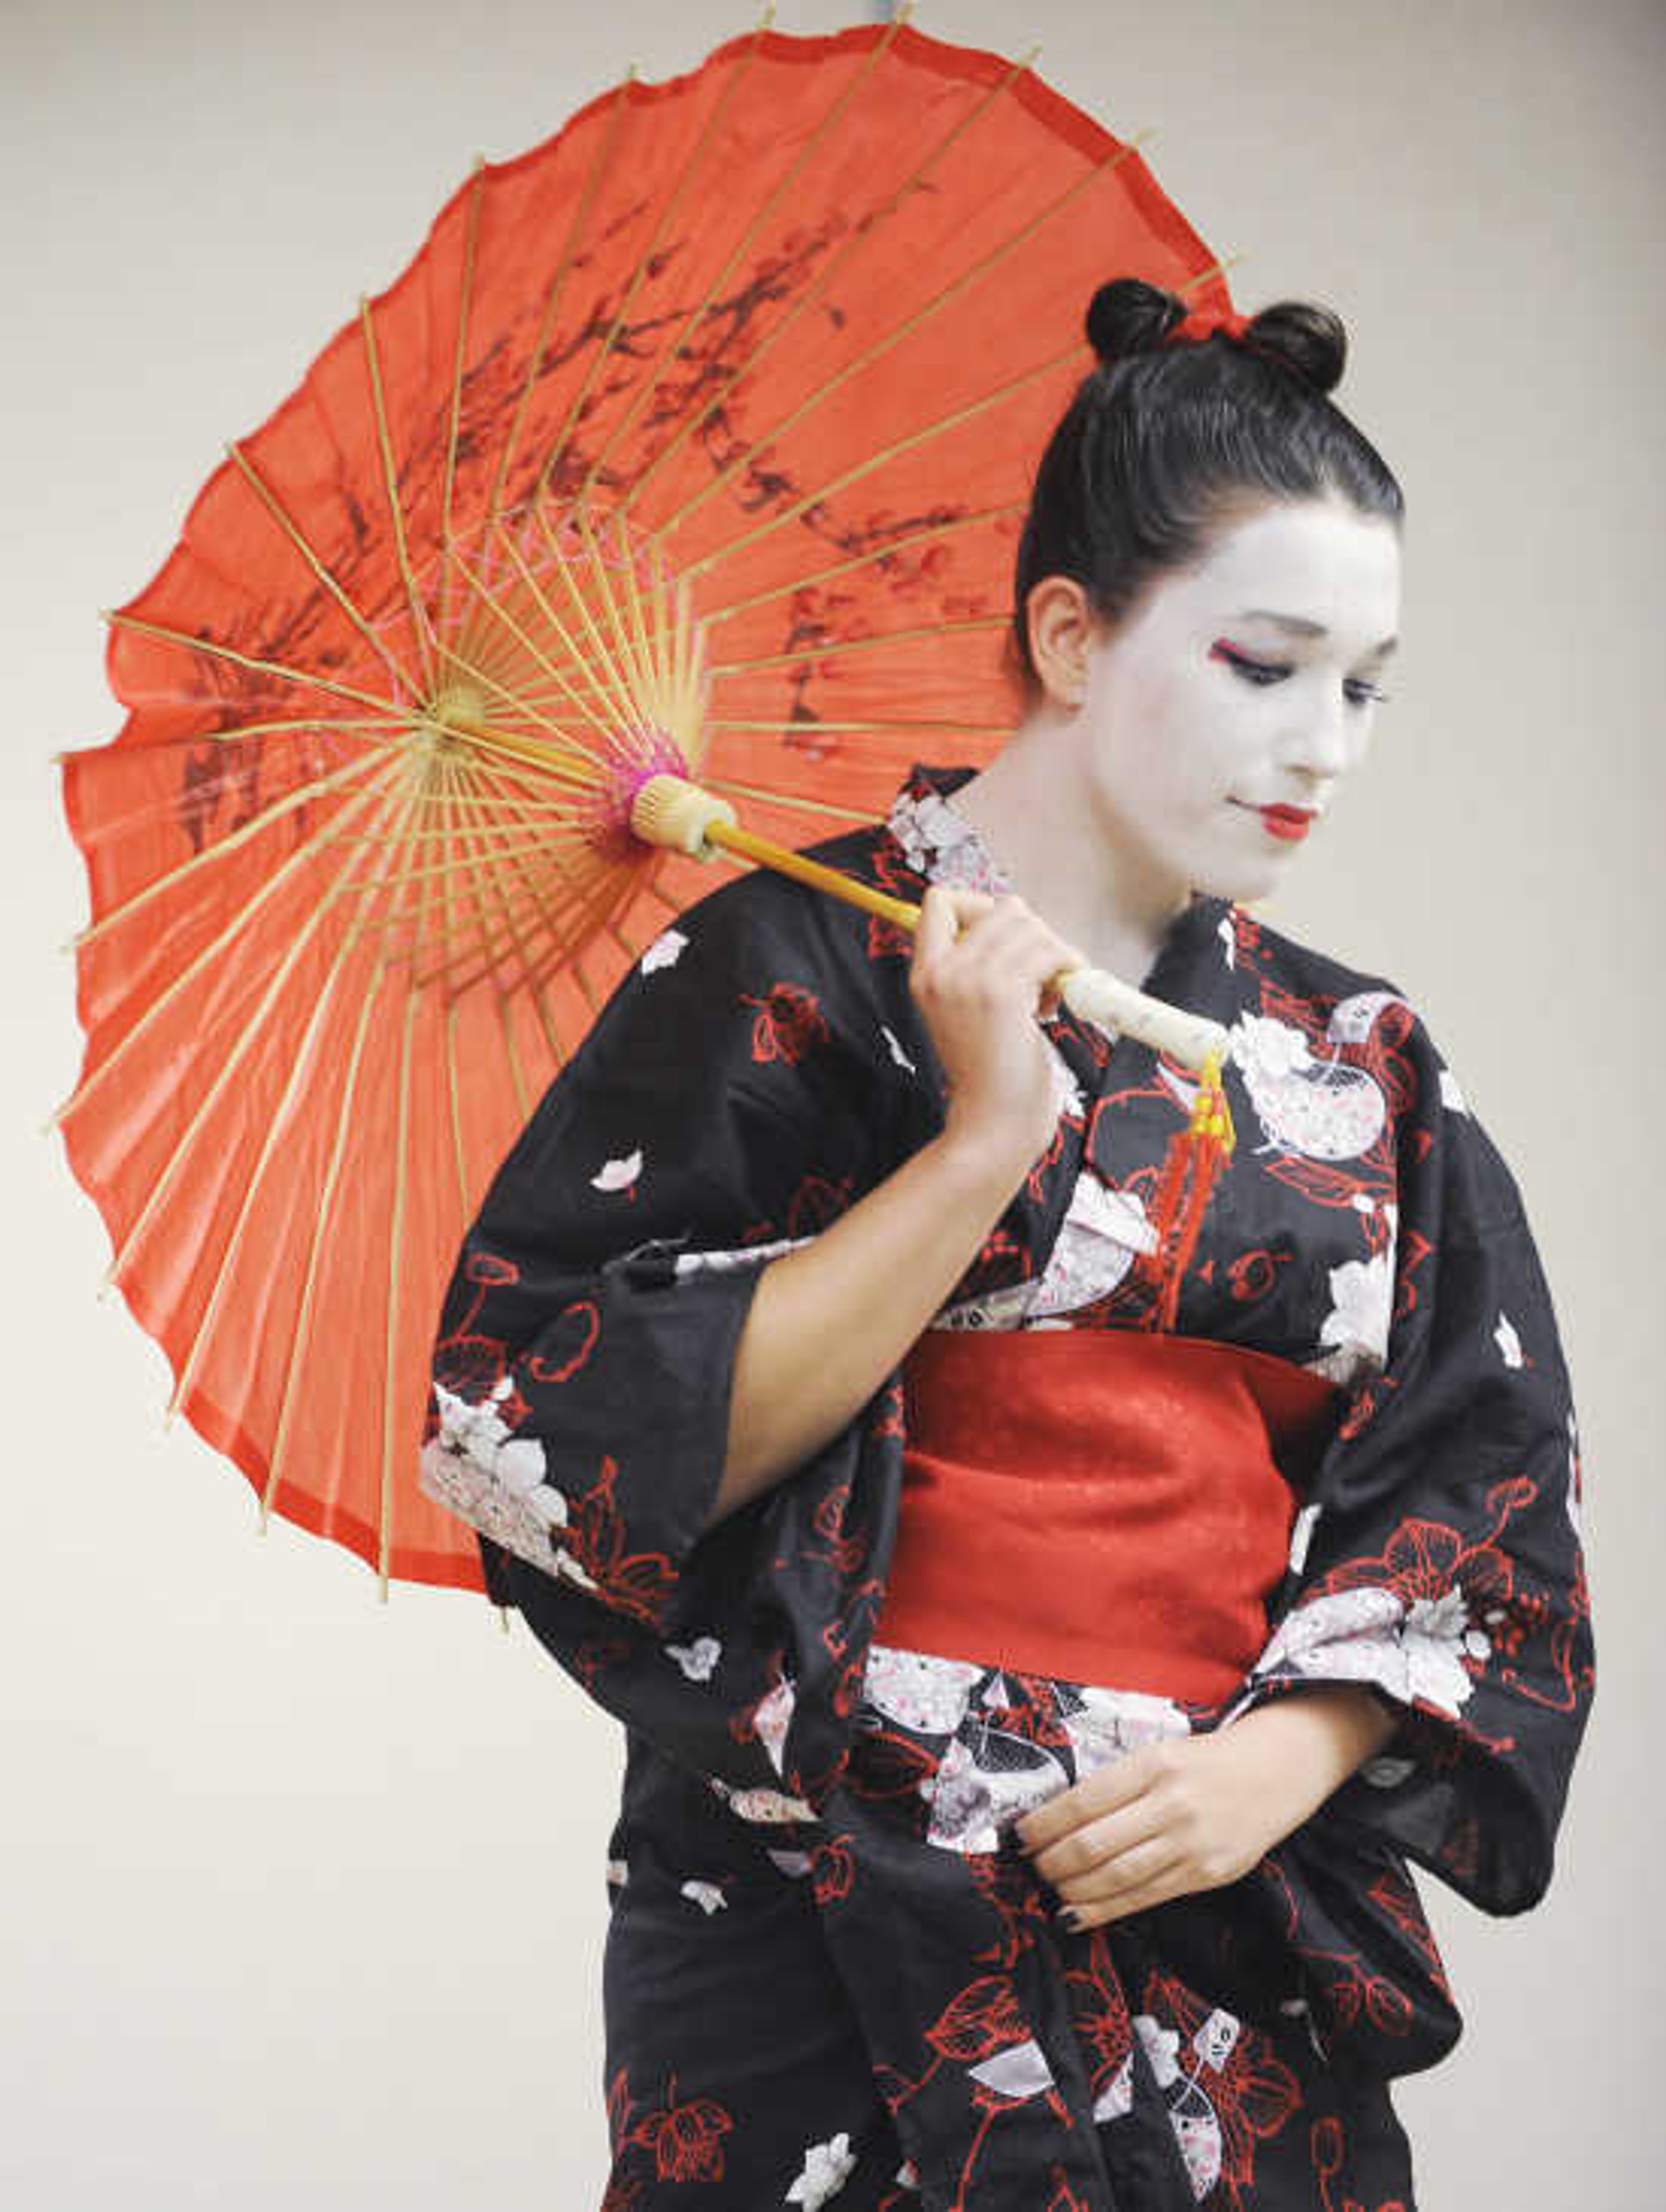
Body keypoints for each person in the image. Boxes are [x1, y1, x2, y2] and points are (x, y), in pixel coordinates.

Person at [420, 277, 1593, 2210]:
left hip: (1211, 1885)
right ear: (1068, 631)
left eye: (1364, 685)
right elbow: (536, 1414)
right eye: (1263, 663)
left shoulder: (1361, 1058)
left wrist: (1284, 1763)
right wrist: (982, 1145)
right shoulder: (782, 959)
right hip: (833, 1884)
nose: (1328, 746)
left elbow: (1486, 1486)